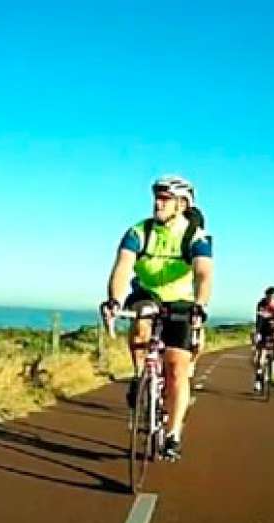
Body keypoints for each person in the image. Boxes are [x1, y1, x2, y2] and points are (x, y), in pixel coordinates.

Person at [101, 175, 213, 460]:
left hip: (181, 301)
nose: (158, 203)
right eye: (156, 197)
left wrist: (199, 304)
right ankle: (141, 378)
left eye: (165, 198)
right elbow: (123, 267)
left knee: (177, 368)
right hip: (146, 293)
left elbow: (203, 273)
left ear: (182, 204)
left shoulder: (195, 236)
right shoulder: (139, 231)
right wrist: (114, 299)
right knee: (142, 321)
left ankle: (173, 434)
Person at [252, 286, 274, 393]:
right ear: (266, 297)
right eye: (269, 297)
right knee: (260, 358)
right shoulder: (261, 304)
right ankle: (258, 379)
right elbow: (259, 320)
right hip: (263, 329)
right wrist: (257, 333)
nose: (272, 299)